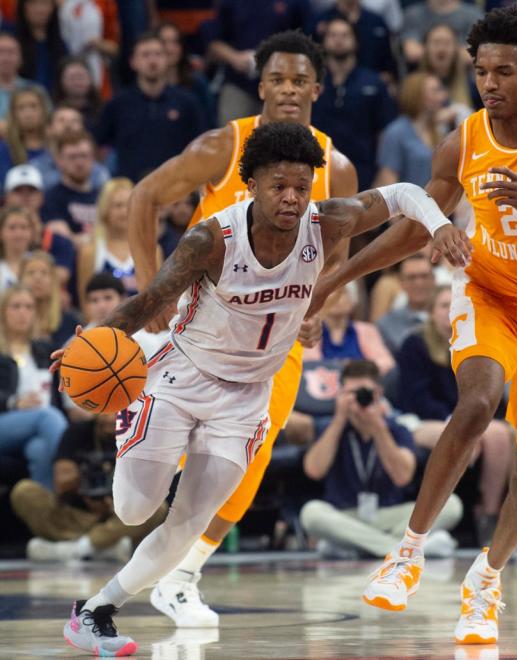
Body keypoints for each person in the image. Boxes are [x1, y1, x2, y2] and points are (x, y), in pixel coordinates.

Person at [57, 121, 468, 656]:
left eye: (302, 186)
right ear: (251, 183)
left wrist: (438, 223)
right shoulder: (211, 239)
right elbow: (146, 303)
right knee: (135, 510)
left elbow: (405, 194)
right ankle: (135, 423)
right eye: (279, 185)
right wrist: (91, 340)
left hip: (247, 396)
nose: (292, 198)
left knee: (187, 527)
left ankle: (95, 613)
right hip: (183, 378)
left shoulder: (327, 222)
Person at [309, 7, 517, 644]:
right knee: (478, 403)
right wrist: (333, 282)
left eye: (504, 71)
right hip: (493, 292)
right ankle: (408, 551)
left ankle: (486, 578)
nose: (489, 82)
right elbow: (411, 224)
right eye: (481, 70)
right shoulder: (464, 140)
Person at [124, 30, 359, 629]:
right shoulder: (222, 147)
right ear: (260, 87)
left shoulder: (339, 168)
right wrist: (153, 294)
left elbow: (336, 256)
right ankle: (140, 530)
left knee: (246, 465)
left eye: (298, 80)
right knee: (165, 466)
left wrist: (316, 307)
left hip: (272, 342)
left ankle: (181, 577)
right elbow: (145, 197)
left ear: (316, 88)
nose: (287, 89)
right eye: (276, 79)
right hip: (200, 330)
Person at [300, 360, 463, 558]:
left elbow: (403, 476)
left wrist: (378, 427)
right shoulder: (331, 427)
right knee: (311, 513)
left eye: (365, 393)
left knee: (451, 504)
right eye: (351, 393)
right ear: (341, 394)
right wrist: (339, 419)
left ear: (378, 394)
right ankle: (401, 549)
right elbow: (313, 470)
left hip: (390, 514)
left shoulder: (397, 428)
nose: (359, 399)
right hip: (346, 514)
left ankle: (355, 547)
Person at [396, 285, 512, 544]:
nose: (451, 312)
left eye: (457, 305)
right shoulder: (414, 344)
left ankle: (489, 515)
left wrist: (470, 420)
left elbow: (492, 394)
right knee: (474, 434)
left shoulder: (478, 343)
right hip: (421, 420)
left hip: (467, 420)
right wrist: (461, 419)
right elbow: (416, 398)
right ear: (431, 312)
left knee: (500, 434)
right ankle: (436, 516)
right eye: (444, 306)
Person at [11, 413, 166, 563]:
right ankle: (99, 548)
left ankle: (76, 549)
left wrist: (113, 504)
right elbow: (61, 483)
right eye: (107, 411)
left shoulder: (137, 435)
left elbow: (146, 486)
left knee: (157, 507)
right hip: (74, 515)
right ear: (96, 411)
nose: (111, 417)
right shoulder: (78, 431)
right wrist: (84, 479)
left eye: (118, 412)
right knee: (24, 491)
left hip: (115, 516)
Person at [94, 32, 205, 182]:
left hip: (176, 191)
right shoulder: (118, 104)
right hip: (131, 191)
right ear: (133, 62)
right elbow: (96, 143)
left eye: (158, 54)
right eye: (145, 55)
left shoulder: (187, 102)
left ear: (166, 60)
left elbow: (201, 147)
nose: (152, 60)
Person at [313, 18, 397, 190]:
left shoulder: (374, 83)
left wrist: (384, 171)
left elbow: (387, 132)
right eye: (333, 35)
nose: (339, 39)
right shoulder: (311, 82)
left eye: (345, 35)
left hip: (363, 171)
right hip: (317, 170)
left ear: (356, 41)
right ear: (323, 41)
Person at [0, 284, 66, 489]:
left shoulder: (44, 349)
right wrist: (14, 402)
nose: (23, 313)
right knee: (47, 416)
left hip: (40, 425)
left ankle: (46, 515)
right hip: (6, 419)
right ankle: (72, 465)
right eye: (16, 306)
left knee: (39, 449)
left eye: (29, 307)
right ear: (3, 311)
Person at [77, 178, 163, 298]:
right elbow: (85, 302)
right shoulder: (90, 252)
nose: (124, 211)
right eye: (118, 206)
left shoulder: (152, 250)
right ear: (105, 210)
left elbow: (158, 298)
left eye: (129, 204)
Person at [375, 72, 454, 190]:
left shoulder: (440, 129)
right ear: (417, 95)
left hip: (436, 206)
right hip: (406, 206)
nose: (443, 96)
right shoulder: (396, 132)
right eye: (435, 91)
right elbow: (387, 184)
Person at [39, 129, 101, 240]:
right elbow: (63, 239)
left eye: (84, 155)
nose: (79, 163)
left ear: (93, 157)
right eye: (72, 157)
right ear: (59, 160)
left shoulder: (104, 196)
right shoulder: (50, 198)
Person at [377, 253, 435, 354]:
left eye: (424, 276)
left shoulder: (452, 316)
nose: (419, 283)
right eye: (411, 277)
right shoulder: (387, 324)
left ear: (434, 279)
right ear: (401, 282)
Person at [19, 250, 79, 347]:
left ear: (54, 280)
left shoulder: (71, 322)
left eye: (44, 273)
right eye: (30, 273)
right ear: (20, 279)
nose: (37, 278)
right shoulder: (8, 323)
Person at [399, 0, 483, 66]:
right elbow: (412, 53)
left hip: (464, 79)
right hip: (422, 78)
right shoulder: (413, 14)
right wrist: (453, 52)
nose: (441, 48)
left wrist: (432, 52)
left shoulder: (473, 15)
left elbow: (474, 55)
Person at [0, 86, 50, 187]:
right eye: (21, 108)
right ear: (13, 114)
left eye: (33, 106)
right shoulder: (5, 149)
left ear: (43, 110)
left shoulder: (57, 146)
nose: (28, 113)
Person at [14, 0, 66, 93]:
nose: (39, 9)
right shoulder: (11, 40)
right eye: (33, 3)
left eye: (45, 3)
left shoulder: (61, 45)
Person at [51, 56, 102, 128]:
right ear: (60, 81)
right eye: (72, 77)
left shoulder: (103, 111)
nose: (77, 81)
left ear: (91, 80)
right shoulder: (51, 111)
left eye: (81, 77)